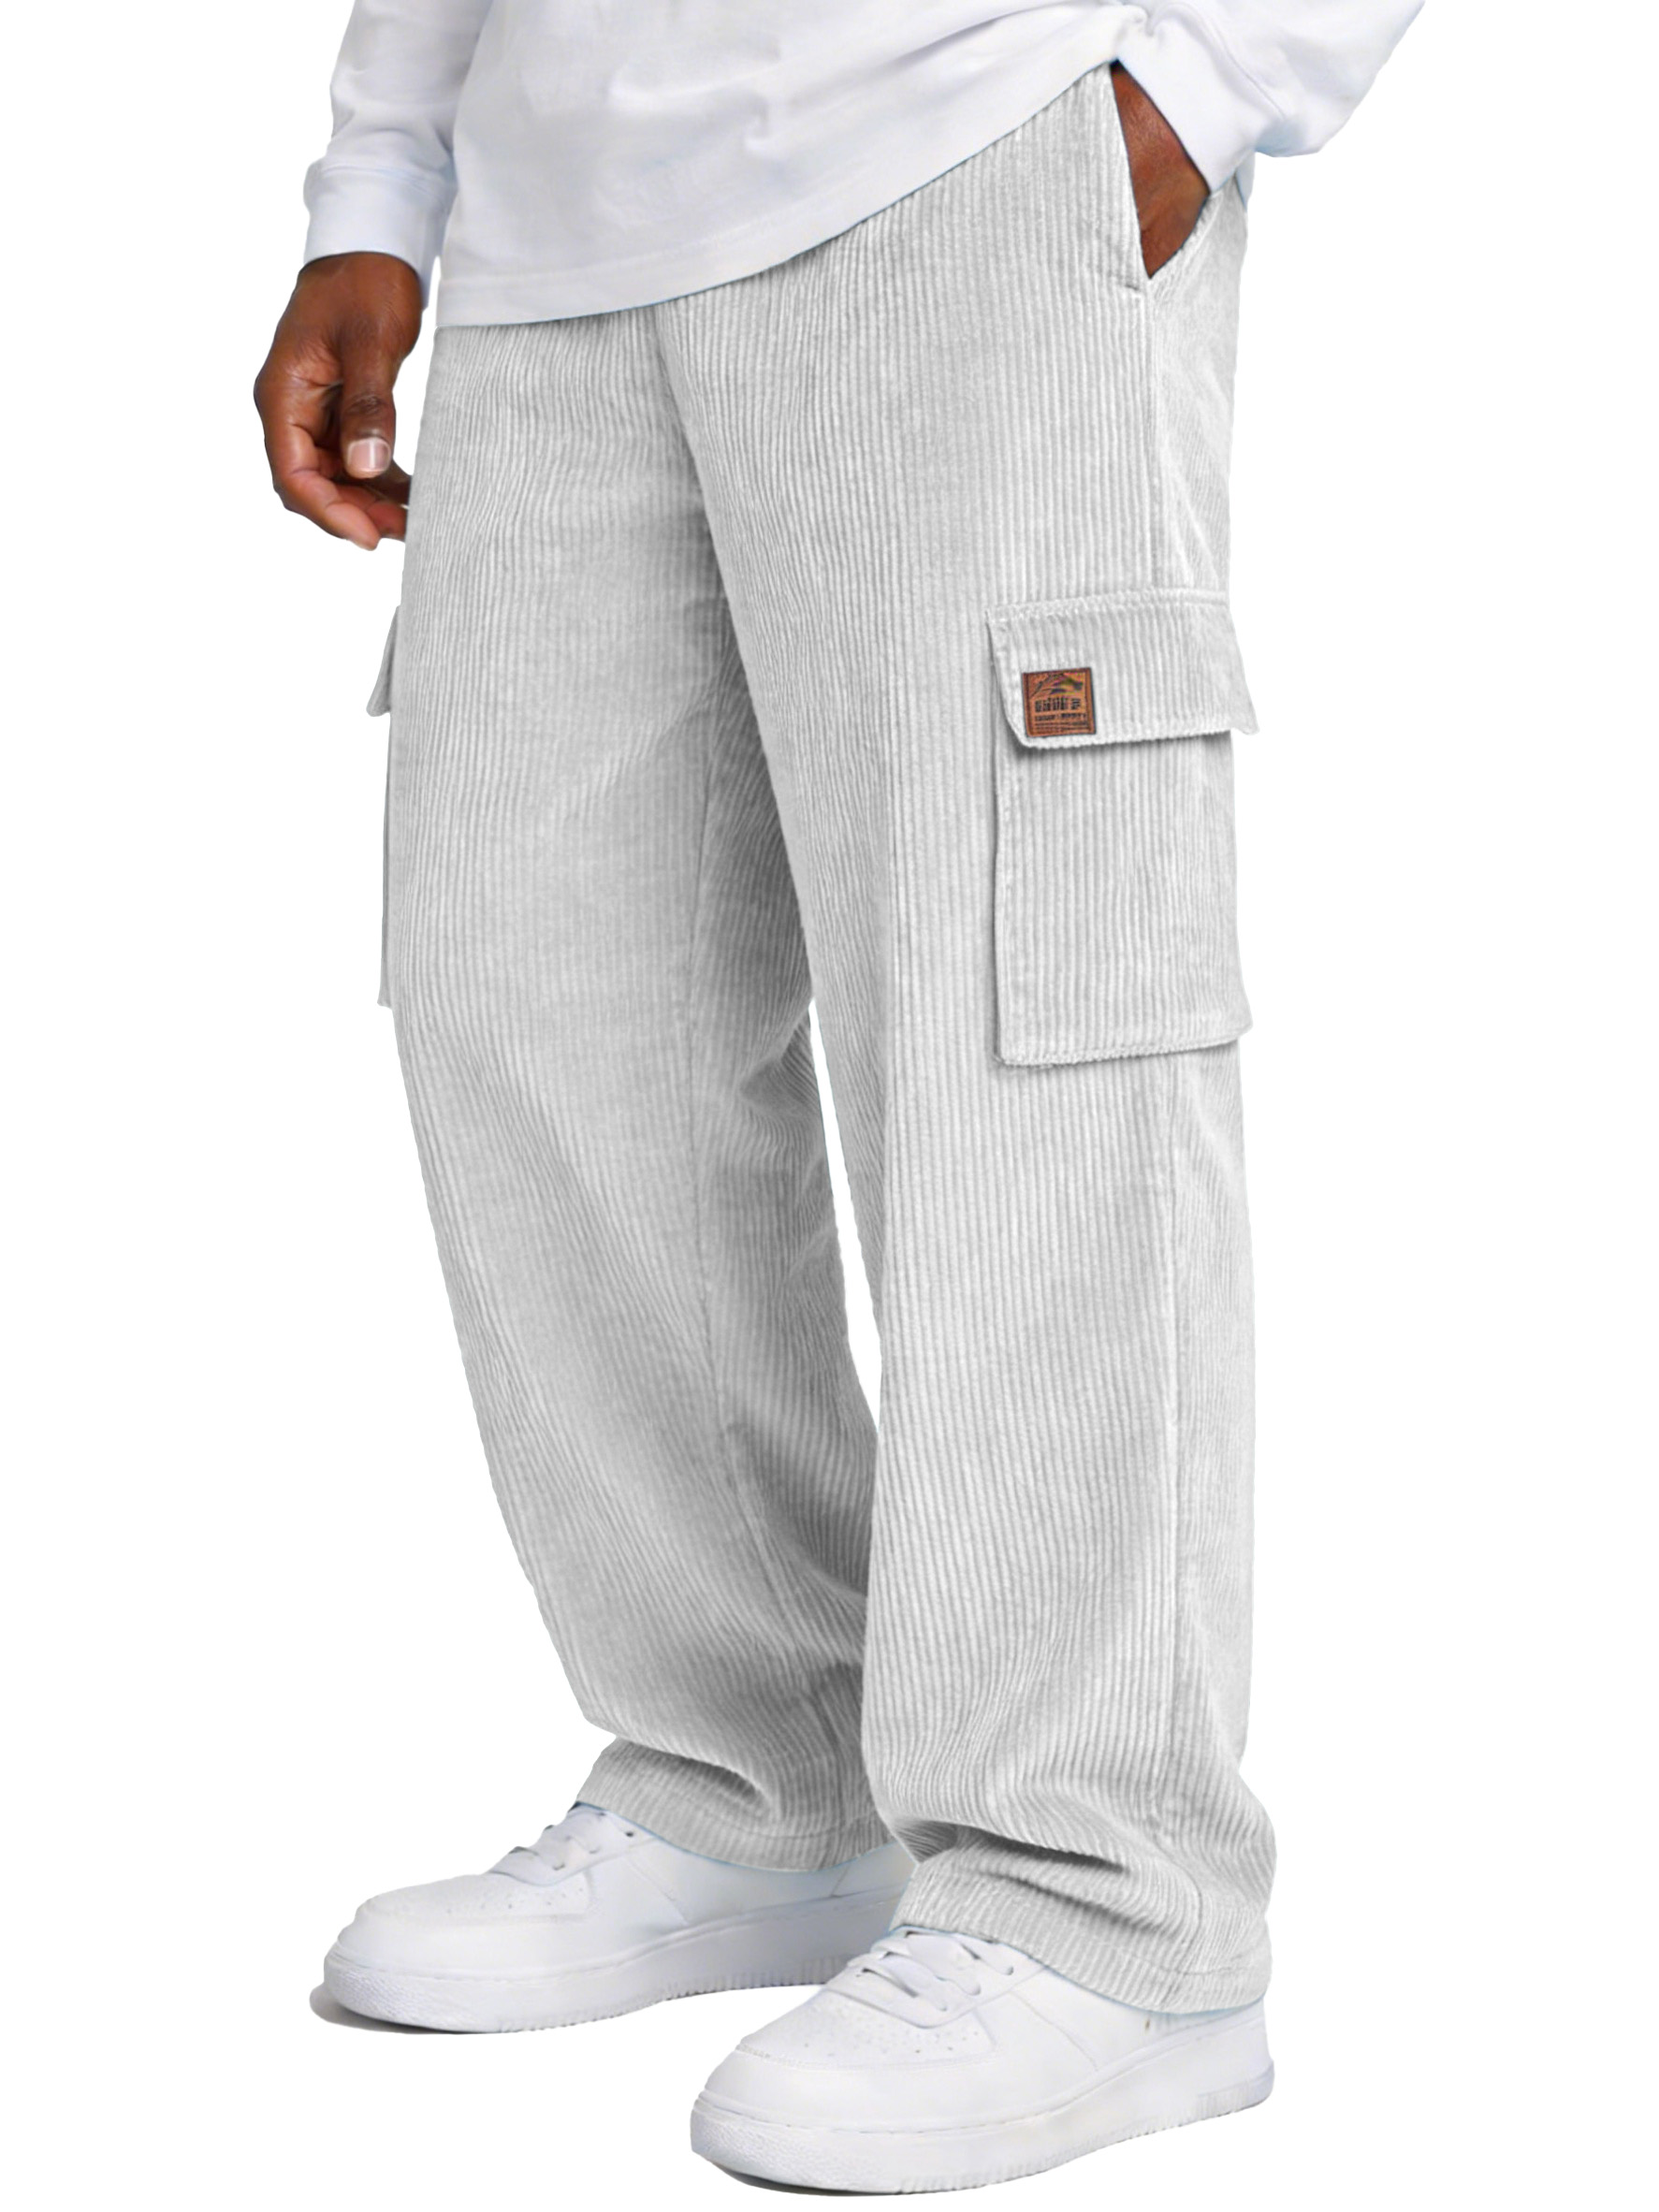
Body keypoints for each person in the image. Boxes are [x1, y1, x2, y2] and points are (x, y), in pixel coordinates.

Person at [255, 3, 1418, 2191]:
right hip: (549, 225)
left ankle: (1109, 1903)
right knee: (539, 1011)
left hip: (969, 136)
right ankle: (756, 1774)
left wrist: (1225, 68)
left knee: (1018, 1029)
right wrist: (381, 185)